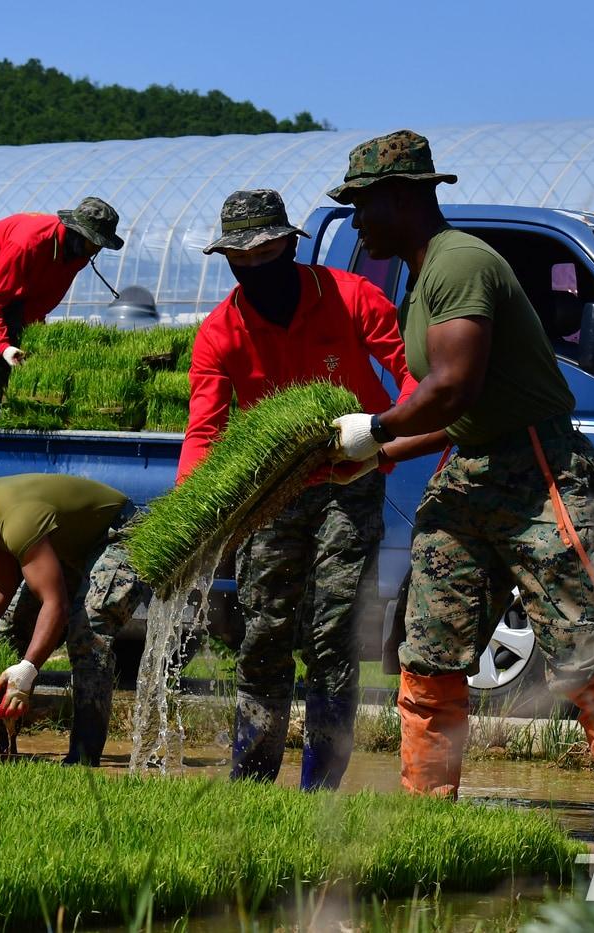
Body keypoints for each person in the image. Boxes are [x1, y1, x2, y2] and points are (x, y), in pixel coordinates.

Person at [326, 130, 594, 848]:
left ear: (401, 196)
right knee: (429, 650)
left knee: (588, 655)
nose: (356, 221)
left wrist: (376, 428)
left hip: (538, 471)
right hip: (471, 470)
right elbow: (456, 417)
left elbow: (454, 387)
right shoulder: (421, 281)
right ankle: (425, 824)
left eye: (362, 204)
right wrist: (373, 455)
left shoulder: (461, 263)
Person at [180, 189, 417, 791]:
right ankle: (253, 783)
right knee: (264, 635)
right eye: (241, 260)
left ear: (291, 244)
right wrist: (193, 525)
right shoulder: (220, 333)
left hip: (349, 482)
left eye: (267, 254)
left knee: (332, 636)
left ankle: (319, 792)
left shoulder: (350, 297)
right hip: (273, 492)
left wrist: (385, 440)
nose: (256, 269)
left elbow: (414, 375)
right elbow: (204, 433)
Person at [0, 453, 146, 764]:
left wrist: (28, 669)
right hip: (72, 548)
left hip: (122, 535)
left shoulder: (16, 519)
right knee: (7, 629)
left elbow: (56, 604)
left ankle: (82, 756)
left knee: (86, 630)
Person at [0, 198, 124, 426]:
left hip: (15, 296)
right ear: (78, 233)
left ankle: (14, 447)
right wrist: (2, 344)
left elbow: (47, 295)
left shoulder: (79, 254)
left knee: (18, 377)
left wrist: (29, 333)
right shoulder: (29, 242)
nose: (98, 248)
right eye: (95, 242)